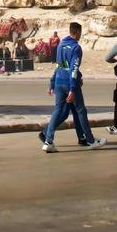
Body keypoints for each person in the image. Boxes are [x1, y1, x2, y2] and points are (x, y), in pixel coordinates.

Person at [40, 22, 101, 151]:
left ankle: (48, 139)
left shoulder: (61, 45)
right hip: (69, 83)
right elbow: (73, 68)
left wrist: (52, 83)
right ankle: (90, 140)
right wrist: (73, 88)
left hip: (58, 82)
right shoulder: (76, 48)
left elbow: (59, 66)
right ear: (78, 32)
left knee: (59, 111)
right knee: (80, 111)